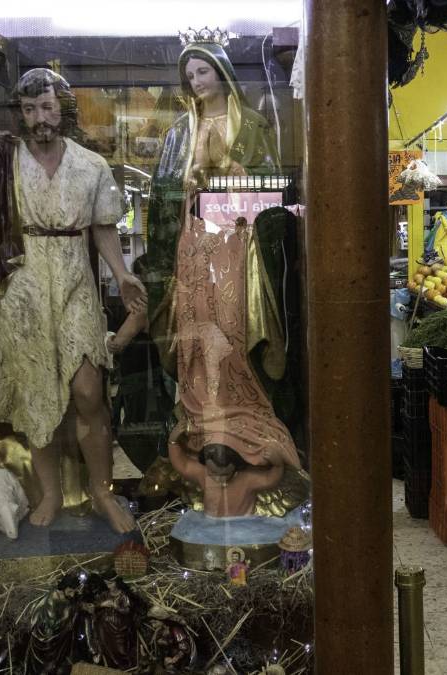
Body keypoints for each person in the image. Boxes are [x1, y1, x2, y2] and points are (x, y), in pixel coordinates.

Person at [0, 2, 144, 533]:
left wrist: (120, 274)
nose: (40, 118)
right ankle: (49, 496)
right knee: (36, 394)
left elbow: (102, 226)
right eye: (31, 109)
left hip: (74, 282)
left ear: (61, 109)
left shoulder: (90, 165)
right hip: (20, 286)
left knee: (89, 390)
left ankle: (102, 491)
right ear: (19, 110)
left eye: (48, 108)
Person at [142, 38, 301, 491]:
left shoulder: (248, 124)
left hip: (236, 240)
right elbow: (166, 193)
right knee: (196, 327)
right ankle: (201, 412)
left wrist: (236, 171)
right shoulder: (179, 132)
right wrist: (188, 183)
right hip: (194, 242)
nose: (196, 82)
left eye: (202, 72)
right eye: (189, 76)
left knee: (232, 324)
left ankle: (242, 408)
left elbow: (273, 184)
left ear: (221, 72)